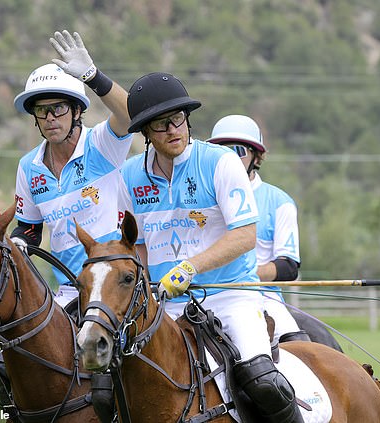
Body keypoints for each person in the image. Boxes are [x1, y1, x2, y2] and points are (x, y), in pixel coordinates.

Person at [118, 73, 304, 423]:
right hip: (164, 304)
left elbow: (245, 235)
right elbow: (137, 245)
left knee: (264, 382)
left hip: (230, 295)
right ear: (145, 132)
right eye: (161, 124)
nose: (174, 130)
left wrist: (190, 268)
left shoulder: (220, 162)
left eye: (179, 119)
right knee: (111, 379)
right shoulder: (129, 176)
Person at [11, 31, 133, 308]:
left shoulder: (101, 144)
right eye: (42, 111)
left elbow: (131, 114)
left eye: (58, 108)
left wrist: (92, 76)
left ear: (77, 111)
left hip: (115, 286)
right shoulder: (28, 167)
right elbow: (29, 229)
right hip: (69, 290)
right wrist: (19, 243)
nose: (50, 118)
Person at [206, 115, 310, 344]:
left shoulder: (279, 201)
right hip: (205, 295)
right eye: (222, 152)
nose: (230, 159)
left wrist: (244, 274)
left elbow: (288, 267)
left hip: (262, 298)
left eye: (238, 151)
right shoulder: (200, 199)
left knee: (299, 347)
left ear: (256, 156)